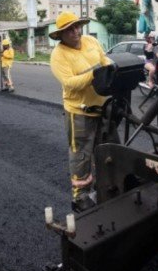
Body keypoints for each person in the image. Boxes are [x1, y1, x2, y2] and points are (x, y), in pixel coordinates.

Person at [50, 11, 117, 213]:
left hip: (103, 107)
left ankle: (106, 186)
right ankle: (81, 196)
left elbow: (103, 60)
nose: (75, 31)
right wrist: (95, 74)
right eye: (69, 29)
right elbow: (70, 84)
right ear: (61, 35)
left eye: (77, 26)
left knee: (107, 148)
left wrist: (112, 68)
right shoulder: (58, 56)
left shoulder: (90, 41)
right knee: (81, 155)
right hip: (79, 113)